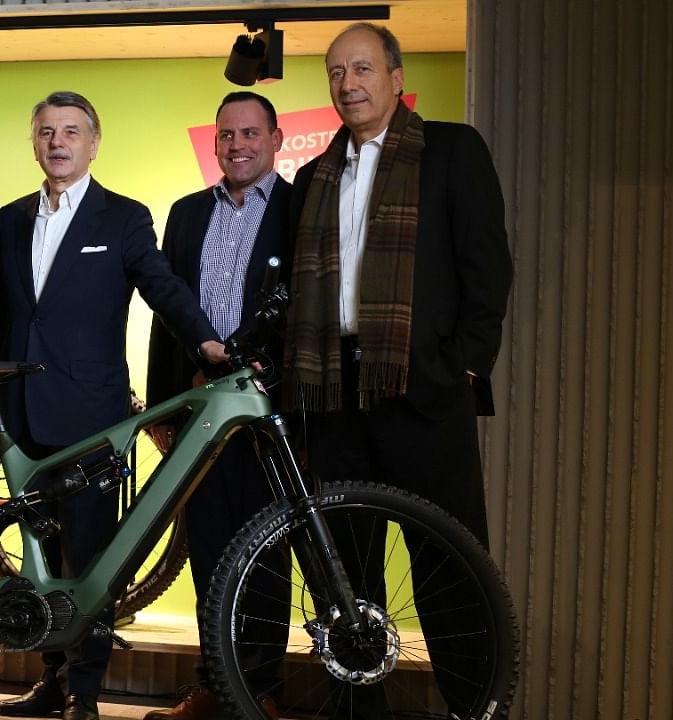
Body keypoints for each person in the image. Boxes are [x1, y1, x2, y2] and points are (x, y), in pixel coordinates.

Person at [284, 22, 513, 719]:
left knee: (448, 568)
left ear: (393, 76)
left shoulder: (450, 150)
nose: (347, 84)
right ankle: (359, 711)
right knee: (345, 574)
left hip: (422, 389)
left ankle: (474, 708)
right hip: (335, 392)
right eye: (334, 73)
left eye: (360, 68)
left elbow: (488, 268)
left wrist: (464, 368)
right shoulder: (314, 174)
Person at [0, 91, 226, 720]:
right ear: (34, 142)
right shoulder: (9, 219)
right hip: (21, 416)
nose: (58, 142)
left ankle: (85, 694)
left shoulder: (121, 217)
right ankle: (50, 680)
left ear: (94, 144)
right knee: (40, 561)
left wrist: (204, 340)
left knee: (90, 559)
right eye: (45, 131)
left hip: (92, 419)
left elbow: (161, 287)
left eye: (71, 131)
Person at [142, 91, 293, 720]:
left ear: (276, 139)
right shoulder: (184, 213)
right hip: (198, 408)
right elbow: (163, 319)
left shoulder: (298, 209)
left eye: (250, 134)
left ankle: (260, 690)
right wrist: (163, 410)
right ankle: (213, 683)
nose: (237, 146)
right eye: (227, 135)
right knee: (208, 547)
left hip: (267, 408)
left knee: (265, 551)